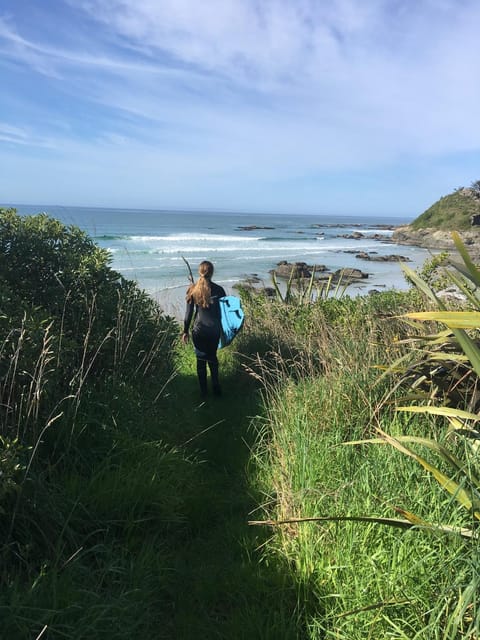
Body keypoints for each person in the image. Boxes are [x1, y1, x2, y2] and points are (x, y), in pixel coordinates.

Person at [182, 260, 226, 398]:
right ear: (212, 272)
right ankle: (216, 387)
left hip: (199, 330)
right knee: (212, 357)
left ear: (199, 272)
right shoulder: (219, 290)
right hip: (214, 330)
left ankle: (203, 393)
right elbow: (223, 313)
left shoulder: (192, 290)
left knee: (201, 360)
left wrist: (185, 331)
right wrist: (224, 331)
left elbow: (188, 315)